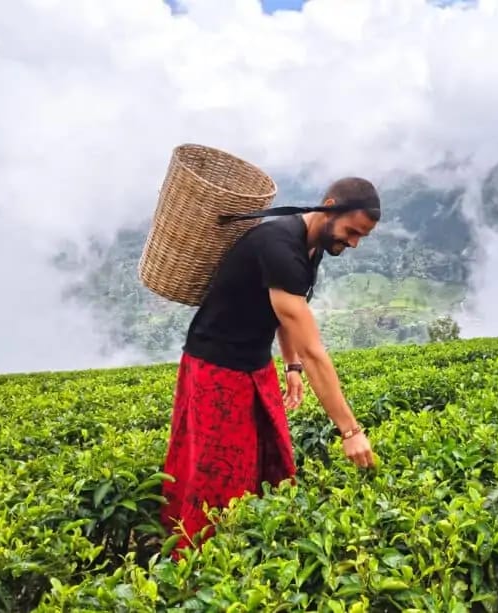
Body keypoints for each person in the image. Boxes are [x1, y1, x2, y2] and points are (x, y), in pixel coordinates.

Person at [159, 176, 380, 555]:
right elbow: (315, 351)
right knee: (220, 477)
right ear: (330, 207)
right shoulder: (279, 247)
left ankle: (252, 549)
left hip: (254, 363)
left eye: (362, 236)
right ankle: (196, 561)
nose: (354, 242)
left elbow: (286, 314)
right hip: (217, 365)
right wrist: (350, 431)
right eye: (352, 231)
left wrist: (290, 368)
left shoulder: (312, 247)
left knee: (269, 459)